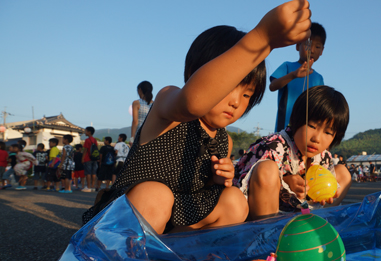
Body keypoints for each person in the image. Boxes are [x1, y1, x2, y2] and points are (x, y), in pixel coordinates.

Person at [82, 0, 311, 234]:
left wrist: (216, 180)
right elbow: (193, 102)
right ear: (196, 74)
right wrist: (263, 38)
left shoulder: (224, 140)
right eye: (228, 86)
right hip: (129, 217)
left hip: (177, 221)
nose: (235, 101)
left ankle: (183, 259)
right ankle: (125, 259)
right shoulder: (169, 106)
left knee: (233, 199)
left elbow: (200, 191)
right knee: (156, 195)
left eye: (246, 94)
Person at [234, 86, 351, 220]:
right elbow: (247, 182)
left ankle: (317, 224)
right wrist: (284, 179)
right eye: (312, 126)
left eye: (328, 132)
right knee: (267, 169)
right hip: (266, 215)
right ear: (296, 119)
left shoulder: (323, 157)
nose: (317, 138)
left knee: (343, 174)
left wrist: (323, 194)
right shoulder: (273, 146)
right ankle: (267, 234)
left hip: (300, 216)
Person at [270, 22, 326, 132]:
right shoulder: (287, 66)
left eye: (317, 46)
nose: (312, 50)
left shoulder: (318, 78)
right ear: (297, 45)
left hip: (306, 131)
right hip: (284, 129)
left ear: (322, 51)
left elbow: (319, 106)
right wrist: (293, 75)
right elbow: (272, 86)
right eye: (308, 45)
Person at [81, 126, 98, 192]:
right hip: (94, 158)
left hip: (88, 159)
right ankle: (92, 186)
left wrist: (82, 158)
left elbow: (85, 150)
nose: (85, 132)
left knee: (88, 173)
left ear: (89, 132)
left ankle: (88, 187)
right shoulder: (95, 140)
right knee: (93, 173)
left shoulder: (87, 140)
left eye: (86, 131)